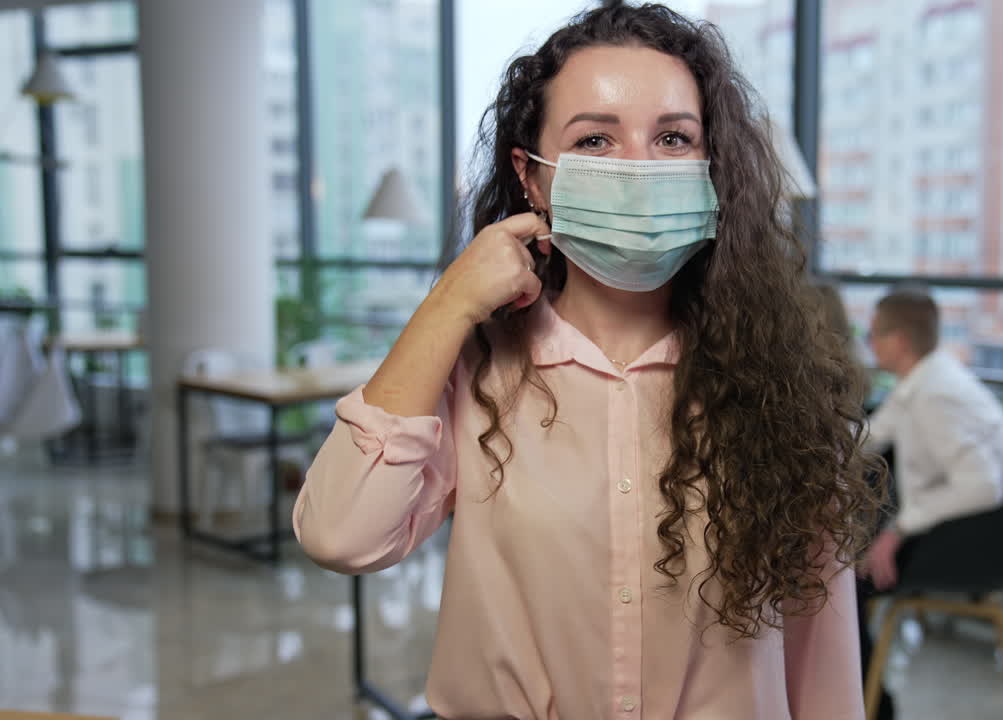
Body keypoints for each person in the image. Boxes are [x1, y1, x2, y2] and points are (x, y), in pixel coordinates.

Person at [293, 5, 882, 718]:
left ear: (711, 169)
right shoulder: (475, 371)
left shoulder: (780, 387)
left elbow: (823, 668)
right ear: (532, 178)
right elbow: (340, 534)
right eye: (596, 139)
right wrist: (448, 304)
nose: (637, 169)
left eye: (672, 137)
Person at [857, 285, 1003, 719]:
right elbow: (869, 439)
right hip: (975, 536)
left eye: (872, 335)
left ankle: (869, 706)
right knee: (845, 569)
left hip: (977, 548)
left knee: (841, 582)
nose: (868, 343)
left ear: (898, 342)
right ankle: (867, 701)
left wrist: (895, 533)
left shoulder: (936, 396)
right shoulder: (926, 380)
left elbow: (982, 486)